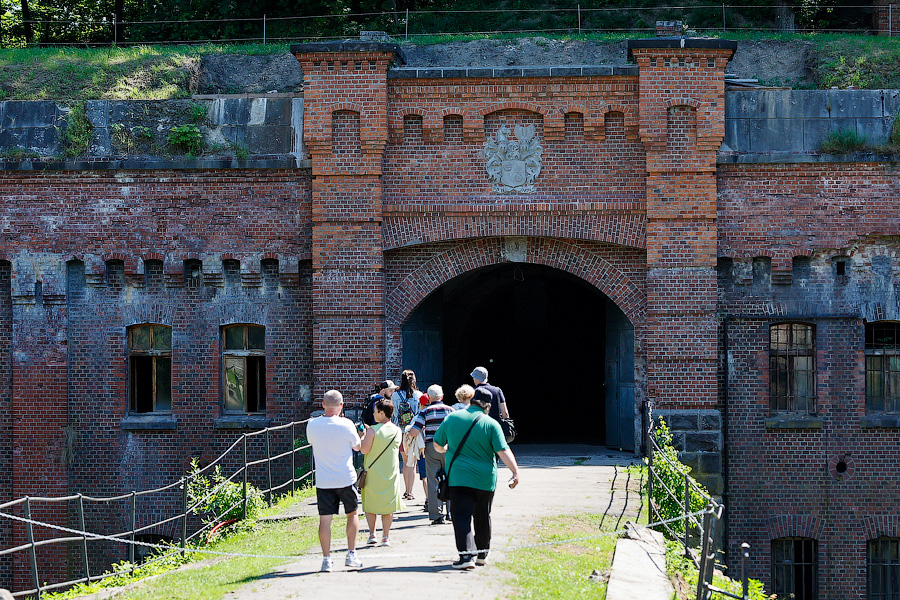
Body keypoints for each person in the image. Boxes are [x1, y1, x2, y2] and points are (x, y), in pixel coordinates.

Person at [433, 389, 521, 570]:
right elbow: (503, 450)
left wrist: (446, 450)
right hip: (484, 479)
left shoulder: (452, 418)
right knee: (482, 515)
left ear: (471, 399)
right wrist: (515, 472)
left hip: (458, 478)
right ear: (488, 406)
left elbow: (437, 444)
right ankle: (481, 554)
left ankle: (466, 557)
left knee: (461, 517)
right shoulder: (491, 424)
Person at [305, 389, 364, 572]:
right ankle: (351, 554)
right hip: (345, 477)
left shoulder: (312, 425)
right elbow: (357, 447)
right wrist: (361, 436)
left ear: (323, 404)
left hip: (324, 479)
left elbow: (311, 442)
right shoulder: (347, 424)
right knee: (352, 514)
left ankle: (326, 559)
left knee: (325, 520)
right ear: (341, 406)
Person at [359, 399, 404, 546]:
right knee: (388, 505)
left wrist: (362, 435)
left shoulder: (372, 430)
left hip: (373, 472)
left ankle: (372, 534)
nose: (373, 413)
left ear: (382, 413)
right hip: (390, 472)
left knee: (370, 504)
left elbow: (364, 449)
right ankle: (386, 536)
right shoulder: (397, 430)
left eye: (375, 411)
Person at [407, 383, 454, 524]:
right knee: (451, 479)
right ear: (442, 396)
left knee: (433, 481)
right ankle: (451, 513)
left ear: (429, 398)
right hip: (449, 447)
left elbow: (415, 431)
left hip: (431, 447)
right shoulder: (451, 410)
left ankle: (436, 515)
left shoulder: (425, 411)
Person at [394, 370, 425, 499]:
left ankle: (406, 491)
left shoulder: (395, 395)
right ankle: (410, 491)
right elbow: (421, 414)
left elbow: (394, 414)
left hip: (400, 431)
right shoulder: (418, 395)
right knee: (412, 462)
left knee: (405, 461)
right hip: (414, 431)